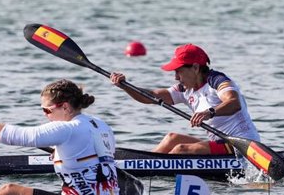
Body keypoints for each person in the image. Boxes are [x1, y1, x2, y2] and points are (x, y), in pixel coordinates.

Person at [0, 78, 123, 195]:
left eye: (47, 110)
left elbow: (13, 136)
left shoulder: (67, 128)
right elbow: (93, 157)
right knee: (5, 192)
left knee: (9, 191)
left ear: (65, 107)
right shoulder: (101, 125)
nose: (45, 114)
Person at [110, 43, 260, 155]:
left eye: (178, 71)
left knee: (180, 150)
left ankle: (151, 172)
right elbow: (151, 96)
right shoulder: (185, 89)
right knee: (171, 138)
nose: (175, 77)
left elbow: (234, 103)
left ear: (195, 68)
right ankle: (140, 166)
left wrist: (209, 112)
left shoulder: (218, 81)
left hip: (242, 146)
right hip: (219, 143)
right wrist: (125, 86)